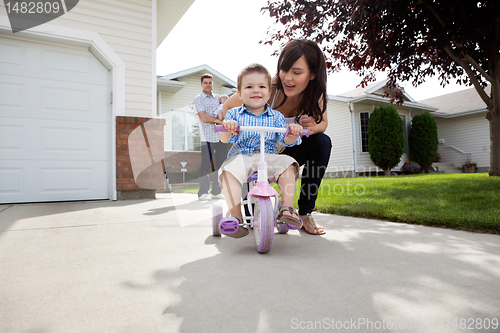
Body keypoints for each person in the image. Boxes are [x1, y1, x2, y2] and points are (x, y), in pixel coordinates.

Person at [221, 39, 331, 235]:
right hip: (250, 149)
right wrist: (232, 125)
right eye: (284, 69)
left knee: (322, 142)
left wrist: (310, 128)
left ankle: (301, 212)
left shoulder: (315, 95)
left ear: (312, 74)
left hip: (282, 148)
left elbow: (323, 123)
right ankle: (236, 216)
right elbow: (228, 107)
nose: (287, 78)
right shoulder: (265, 88)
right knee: (248, 213)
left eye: (296, 73)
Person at [218, 63, 303, 238]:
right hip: (242, 157)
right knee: (228, 172)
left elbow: (286, 140)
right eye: (249, 87)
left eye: (262, 86)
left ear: (269, 93)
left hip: (269, 156)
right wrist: (227, 128)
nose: (256, 90)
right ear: (240, 94)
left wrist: (292, 133)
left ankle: (287, 209)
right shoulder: (234, 115)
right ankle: (236, 217)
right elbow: (224, 139)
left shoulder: (277, 117)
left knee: (288, 163)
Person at [193, 73, 228, 201]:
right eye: (205, 82)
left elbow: (227, 107)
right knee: (206, 165)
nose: (208, 84)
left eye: (210, 82)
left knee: (220, 164)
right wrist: (219, 121)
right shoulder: (198, 99)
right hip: (207, 136)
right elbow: (203, 116)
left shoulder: (218, 98)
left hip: (221, 135)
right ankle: (203, 192)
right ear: (202, 84)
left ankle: (216, 191)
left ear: (212, 84)